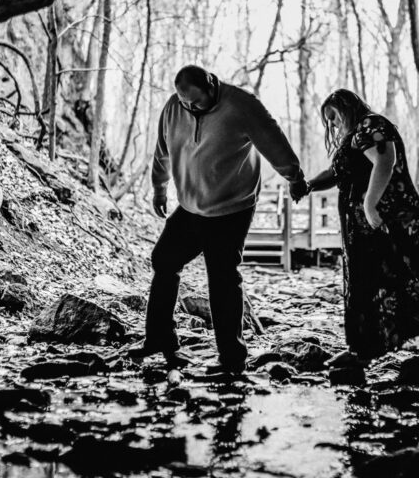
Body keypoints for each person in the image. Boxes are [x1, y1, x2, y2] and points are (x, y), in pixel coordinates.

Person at [128, 65, 309, 373]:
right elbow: (162, 152)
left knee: (222, 277)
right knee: (164, 260)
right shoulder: (174, 106)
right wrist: (159, 189)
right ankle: (159, 338)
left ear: (212, 85)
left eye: (195, 102)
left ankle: (231, 358)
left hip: (231, 208)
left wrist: (294, 175)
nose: (189, 107)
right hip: (190, 206)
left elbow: (272, 139)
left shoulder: (242, 105)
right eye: (184, 101)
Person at [303, 89, 419, 363]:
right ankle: (362, 348)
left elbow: (385, 160)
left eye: (334, 117)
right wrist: (309, 185)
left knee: (397, 277)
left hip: (384, 217)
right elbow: (337, 173)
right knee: (364, 281)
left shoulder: (371, 124)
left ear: (347, 107)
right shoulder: (355, 137)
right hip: (365, 220)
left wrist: (369, 205)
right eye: (328, 122)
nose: (333, 125)